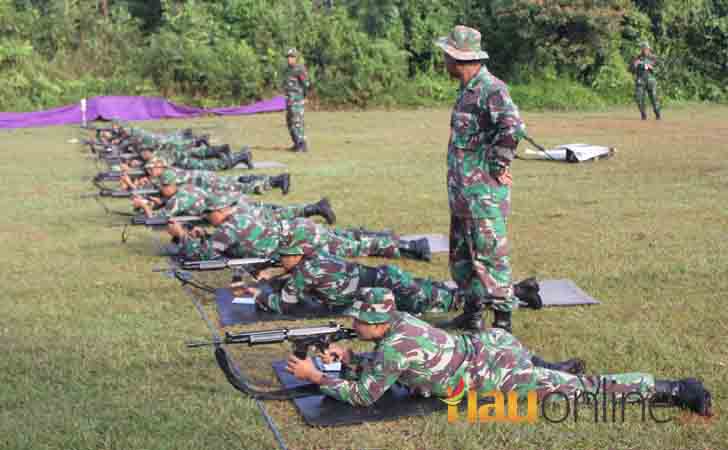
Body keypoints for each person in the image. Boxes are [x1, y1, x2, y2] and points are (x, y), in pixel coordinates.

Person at [286, 288, 712, 418]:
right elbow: (398, 364)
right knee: (548, 375)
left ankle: (677, 390)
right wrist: (352, 358)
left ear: (377, 322)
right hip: (493, 344)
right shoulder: (403, 324)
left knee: (581, 390)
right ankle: (546, 366)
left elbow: (364, 395)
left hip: (495, 371)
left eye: (359, 322)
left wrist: (317, 377)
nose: (355, 326)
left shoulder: (392, 347)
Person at [435, 25, 526, 332]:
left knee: (491, 258)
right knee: (462, 258)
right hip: (463, 194)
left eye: (446, 56)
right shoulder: (467, 90)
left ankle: (502, 322)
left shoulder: (492, 89)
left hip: (483, 195)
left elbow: (512, 127)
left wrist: (499, 165)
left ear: (458, 58)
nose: (444, 62)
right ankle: (472, 313)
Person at [169, 199, 431, 264]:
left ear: (220, 210)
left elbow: (201, 256)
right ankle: (389, 238)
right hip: (297, 233)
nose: (208, 219)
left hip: (299, 239)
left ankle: (413, 248)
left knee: (353, 248)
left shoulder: (229, 228)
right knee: (346, 241)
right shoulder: (242, 213)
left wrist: (182, 235)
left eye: (209, 214)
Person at [247, 240, 448, 315]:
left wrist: (260, 294)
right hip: (380, 278)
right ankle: (447, 292)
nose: (280, 261)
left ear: (296, 256)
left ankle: (464, 300)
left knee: (422, 303)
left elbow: (284, 304)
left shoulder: (304, 273)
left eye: (283, 257)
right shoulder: (314, 256)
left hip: (378, 289)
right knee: (425, 291)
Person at [132, 170, 333, 223]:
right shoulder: (184, 191)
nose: (161, 190)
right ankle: (315, 207)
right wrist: (155, 202)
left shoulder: (180, 198)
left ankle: (316, 208)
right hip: (228, 204)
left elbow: (160, 218)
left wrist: (145, 206)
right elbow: (168, 202)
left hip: (229, 210)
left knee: (273, 215)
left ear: (172, 185)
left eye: (163, 187)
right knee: (271, 211)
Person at [130, 158, 290, 195]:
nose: (149, 172)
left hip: (206, 182)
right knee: (237, 182)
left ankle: (276, 181)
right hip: (205, 180)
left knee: (240, 188)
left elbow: (168, 192)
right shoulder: (165, 174)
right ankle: (271, 179)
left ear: (159, 166)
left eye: (151, 169)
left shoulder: (166, 174)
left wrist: (146, 187)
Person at [283, 48, 311, 152]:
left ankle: (302, 145)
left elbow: (306, 84)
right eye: (288, 57)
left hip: (297, 100)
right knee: (290, 122)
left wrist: (304, 97)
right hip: (289, 100)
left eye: (291, 57)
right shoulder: (287, 70)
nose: (289, 59)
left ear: (296, 58)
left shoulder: (300, 69)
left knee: (297, 122)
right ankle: (296, 143)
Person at [630, 41, 661, 120]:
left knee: (654, 98)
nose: (644, 50)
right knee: (639, 98)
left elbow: (659, 69)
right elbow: (630, 69)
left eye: (645, 48)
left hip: (651, 80)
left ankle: (658, 114)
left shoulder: (653, 58)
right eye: (642, 48)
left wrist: (651, 67)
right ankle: (643, 115)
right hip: (640, 80)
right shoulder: (636, 58)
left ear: (648, 49)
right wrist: (634, 65)